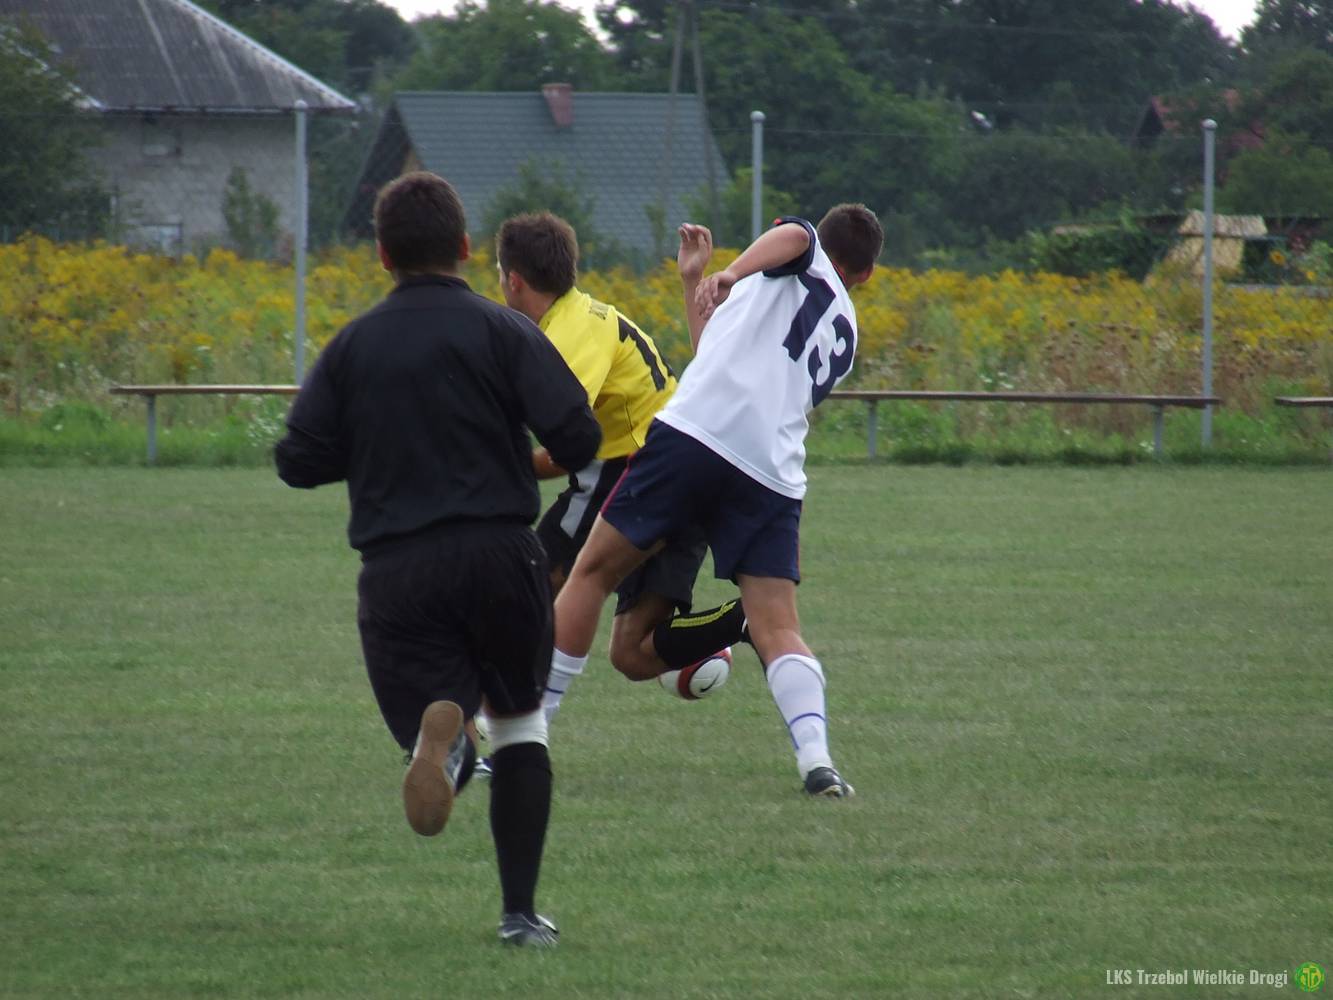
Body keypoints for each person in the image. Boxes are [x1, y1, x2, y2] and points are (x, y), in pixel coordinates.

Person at [274, 172, 600, 948]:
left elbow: (297, 460)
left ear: (382, 254)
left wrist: (378, 444)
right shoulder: (504, 329)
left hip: (399, 566)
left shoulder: (353, 345)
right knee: (520, 725)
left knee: (431, 705)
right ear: (464, 247)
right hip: (502, 553)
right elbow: (580, 437)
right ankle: (519, 915)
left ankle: (444, 748)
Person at [550, 206, 884, 798]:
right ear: (867, 275)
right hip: (771, 473)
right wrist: (693, 282)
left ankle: (527, 735)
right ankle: (818, 762)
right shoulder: (847, 333)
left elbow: (794, 235)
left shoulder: (795, 252)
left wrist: (728, 273)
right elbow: (715, 356)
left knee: (592, 573)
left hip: (694, 437)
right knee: (779, 627)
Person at [493, 211, 746, 721]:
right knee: (632, 654)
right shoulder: (576, 317)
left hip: (641, 470)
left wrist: (498, 463)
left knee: (533, 587)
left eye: (498, 273)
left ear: (514, 280)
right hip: (689, 470)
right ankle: (747, 621)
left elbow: (570, 442)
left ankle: (512, 723)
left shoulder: (568, 333)